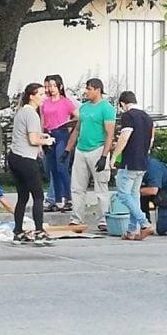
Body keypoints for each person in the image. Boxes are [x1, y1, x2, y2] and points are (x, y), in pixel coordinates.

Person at [62, 78, 115, 231]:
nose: (86, 91)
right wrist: (67, 149)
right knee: (77, 187)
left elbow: (110, 133)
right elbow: (77, 129)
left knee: (101, 187)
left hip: (97, 149)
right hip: (81, 150)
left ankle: (104, 218)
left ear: (97, 90)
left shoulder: (106, 108)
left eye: (89, 89)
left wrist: (104, 156)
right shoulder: (84, 108)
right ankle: (76, 219)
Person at [7, 83, 56, 245]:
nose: (44, 97)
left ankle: (18, 231)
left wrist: (41, 135)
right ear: (32, 96)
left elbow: (27, 133)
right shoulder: (33, 115)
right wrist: (47, 140)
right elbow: (33, 139)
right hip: (26, 158)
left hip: (14, 156)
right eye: (41, 94)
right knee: (38, 196)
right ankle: (39, 231)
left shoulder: (21, 112)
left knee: (23, 196)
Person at [110, 91, 154, 240]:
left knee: (123, 194)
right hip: (143, 161)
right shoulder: (147, 118)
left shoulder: (128, 116)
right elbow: (151, 140)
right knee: (134, 195)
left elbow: (124, 137)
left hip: (130, 162)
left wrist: (114, 155)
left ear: (122, 103)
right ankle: (131, 230)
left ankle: (144, 223)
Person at [41, 74, 78, 212]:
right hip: (48, 134)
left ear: (60, 86)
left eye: (53, 86)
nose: (50, 89)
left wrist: (70, 126)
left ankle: (68, 198)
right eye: (48, 86)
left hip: (62, 134)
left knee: (61, 166)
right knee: (53, 169)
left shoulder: (66, 102)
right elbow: (42, 120)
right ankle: (57, 200)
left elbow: (78, 115)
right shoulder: (45, 102)